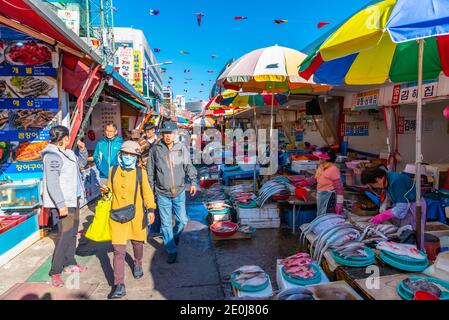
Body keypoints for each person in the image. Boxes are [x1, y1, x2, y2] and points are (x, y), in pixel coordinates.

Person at [100, 141, 156, 299]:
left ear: (137, 157)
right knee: (118, 251)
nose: (128, 157)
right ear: (120, 155)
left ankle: (138, 262)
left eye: (132, 155)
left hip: (136, 216)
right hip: (117, 216)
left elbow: (147, 193)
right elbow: (109, 192)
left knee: (137, 244)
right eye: (126, 154)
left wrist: (151, 209)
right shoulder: (113, 170)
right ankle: (119, 285)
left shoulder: (141, 173)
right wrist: (106, 191)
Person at [41, 126, 88, 287]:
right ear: (64, 138)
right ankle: (55, 271)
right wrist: (60, 205)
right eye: (68, 137)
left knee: (73, 233)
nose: (70, 139)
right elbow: (52, 183)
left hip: (73, 199)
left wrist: (82, 150)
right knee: (64, 236)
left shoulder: (67, 153)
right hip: (63, 203)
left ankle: (70, 263)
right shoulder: (52, 156)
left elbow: (81, 164)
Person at [147, 121, 197, 264]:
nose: (167, 136)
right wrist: (151, 192)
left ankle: (174, 236)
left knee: (182, 220)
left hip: (180, 191)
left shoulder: (182, 148)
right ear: (162, 134)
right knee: (166, 224)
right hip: (162, 193)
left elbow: (188, 166)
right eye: (165, 133)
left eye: (170, 133)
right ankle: (171, 250)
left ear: (175, 134)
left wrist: (193, 181)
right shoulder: (155, 150)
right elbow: (150, 173)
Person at [361, 166, 427, 245]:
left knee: (411, 235)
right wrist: (384, 206)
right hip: (404, 205)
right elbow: (392, 196)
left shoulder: (396, 180)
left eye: (371, 184)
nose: (373, 187)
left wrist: (382, 216)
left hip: (414, 207)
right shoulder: (388, 179)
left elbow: (401, 208)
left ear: (378, 179)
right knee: (401, 234)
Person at [299, 147, 344, 216]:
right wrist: (305, 182)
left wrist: (339, 203)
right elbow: (315, 177)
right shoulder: (321, 166)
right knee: (320, 214)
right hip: (321, 194)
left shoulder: (333, 169)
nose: (319, 160)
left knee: (326, 216)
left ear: (326, 159)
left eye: (321, 158)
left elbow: (339, 188)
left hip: (329, 196)